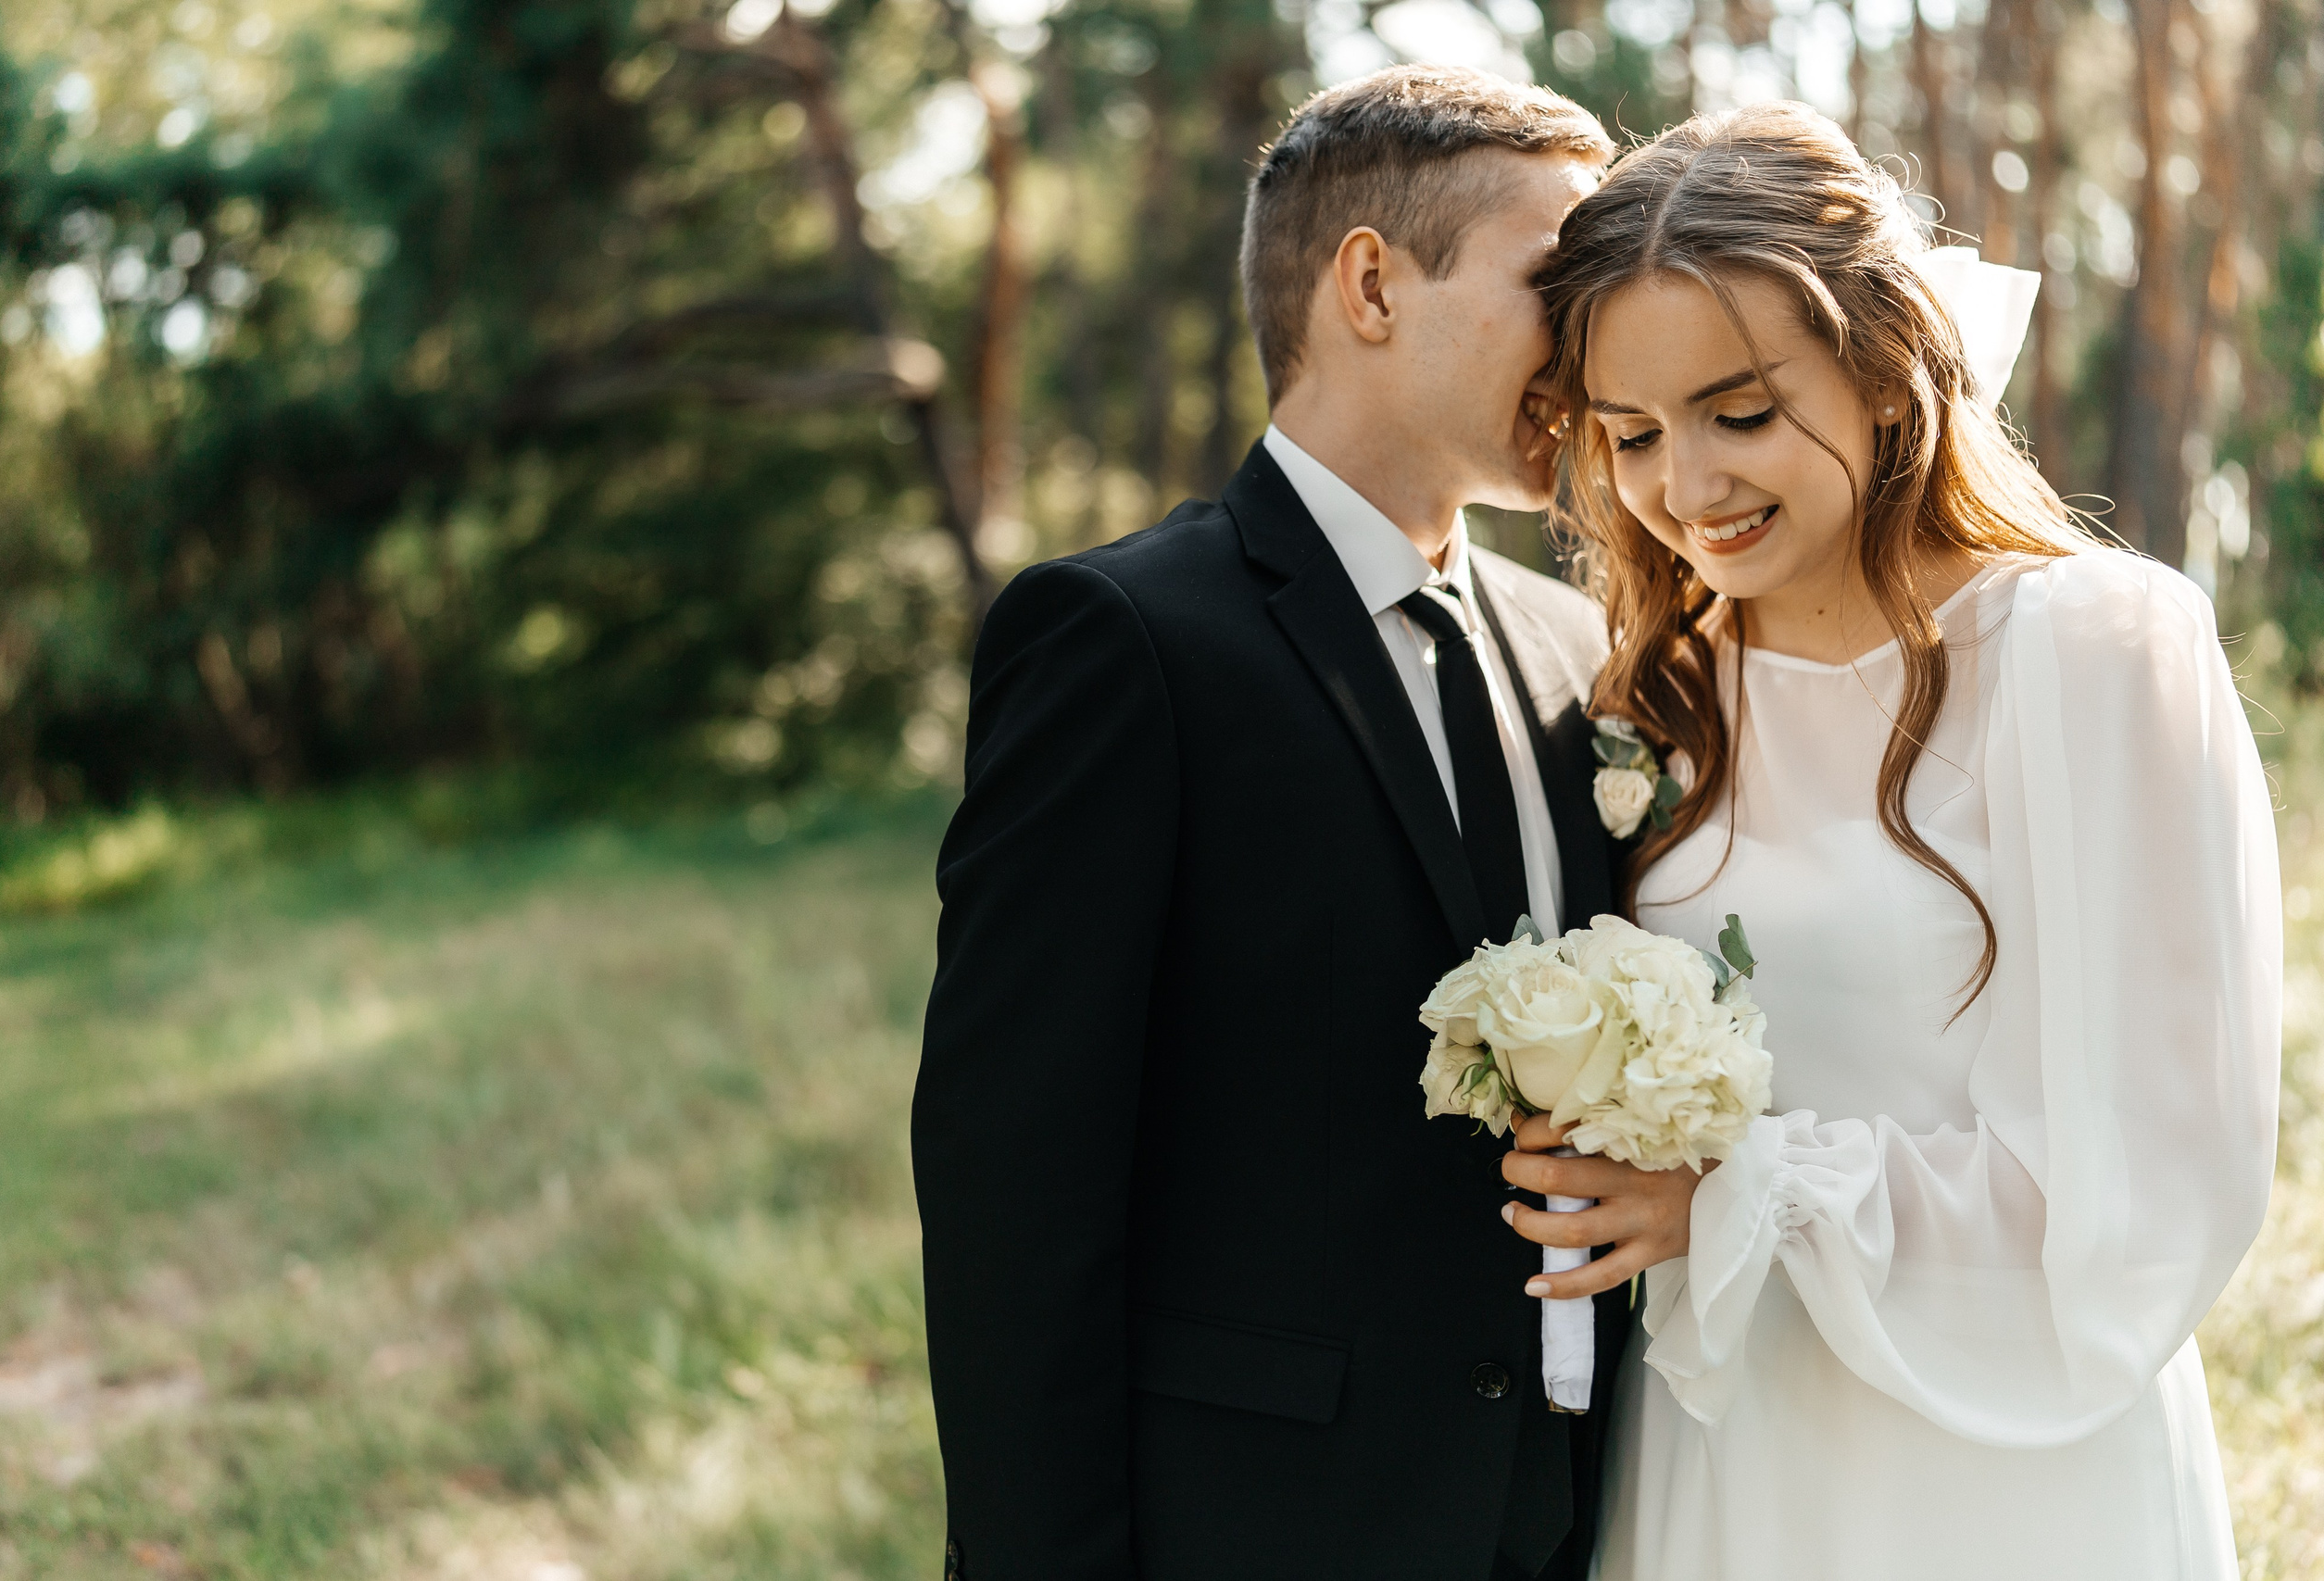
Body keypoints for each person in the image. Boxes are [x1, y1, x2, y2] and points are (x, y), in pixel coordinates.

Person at [913, 65, 1691, 1581]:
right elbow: (1015, 1185)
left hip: (1561, 1510)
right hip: (1249, 1524)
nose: (1594, 350)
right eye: (1557, 285)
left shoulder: (1571, 644)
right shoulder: (1124, 637)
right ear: (1370, 286)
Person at [1493, 101, 2280, 1578]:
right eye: (1634, 435)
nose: (1689, 489)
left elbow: (2153, 1177)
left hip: (2001, 1458)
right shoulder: (1660, 689)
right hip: (1722, 1440)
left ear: (1880, 367)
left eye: (1739, 412)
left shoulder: (2092, 648)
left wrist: (1734, 1194)